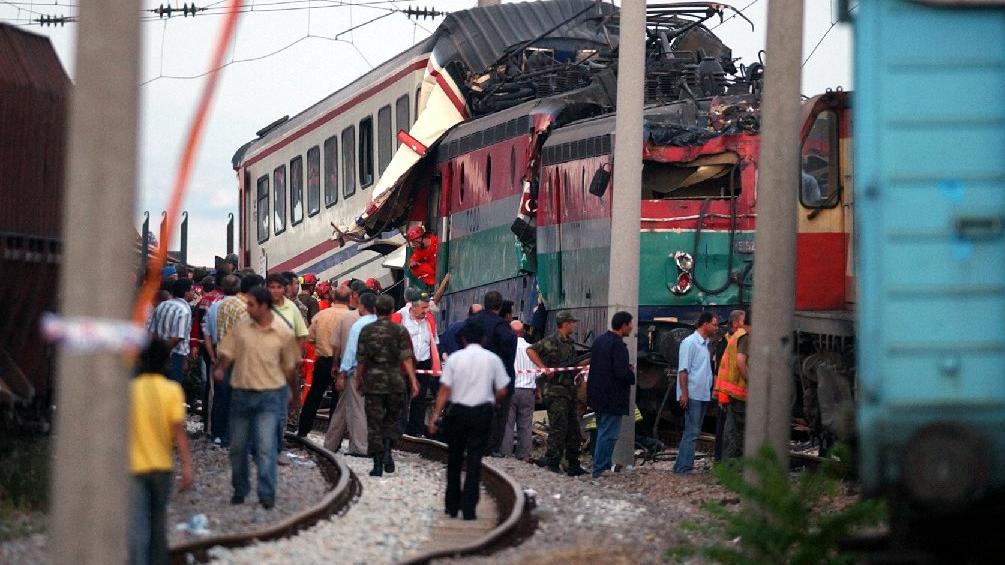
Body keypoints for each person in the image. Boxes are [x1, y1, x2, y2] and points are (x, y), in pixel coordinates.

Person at [214, 286, 301, 508]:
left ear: (263, 306)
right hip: (242, 394)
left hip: (269, 397)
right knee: (237, 447)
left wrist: (294, 396)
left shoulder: (283, 333)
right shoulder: (242, 327)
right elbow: (227, 351)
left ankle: (266, 493)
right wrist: (221, 368)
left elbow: (291, 368)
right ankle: (240, 488)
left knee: (265, 446)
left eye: (251, 304)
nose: (247, 308)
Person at [428, 322, 509, 520]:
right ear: (483, 339)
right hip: (482, 413)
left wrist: (435, 416)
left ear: (463, 339)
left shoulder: (455, 359)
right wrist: (495, 403)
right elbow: (502, 390)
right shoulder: (492, 359)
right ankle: (470, 509)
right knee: (475, 460)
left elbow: (444, 390)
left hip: (458, 413)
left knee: (454, 459)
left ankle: (452, 506)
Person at [129, 339, 193, 565]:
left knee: (137, 525)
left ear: (139, 360)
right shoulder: (172, 390)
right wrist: (186, 466)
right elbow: (179, 432)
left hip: (134, 468)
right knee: (158, 522)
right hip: (162, 468)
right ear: (166, 361)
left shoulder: (130, 390)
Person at [356, 295, 419, 476]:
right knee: (392, 420)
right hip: (394, 382)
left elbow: (361, 359)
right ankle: (387, 451)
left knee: (374, 423)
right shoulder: (400, 331)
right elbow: (406, 357)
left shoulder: (366, 331)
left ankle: (377, 464)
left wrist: (358, 379)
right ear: (392, 311)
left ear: (375, 310)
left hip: (373, 382)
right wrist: (413, 381)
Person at [528, 311, 586, 476]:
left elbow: (572, 365)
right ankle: (552, 461)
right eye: (572, 323)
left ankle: (573, 464)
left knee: (573, 430)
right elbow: (531, 350)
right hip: (555, 391)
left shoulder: (569, 344)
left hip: (569, 390)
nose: (574, 325)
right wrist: (543, 368)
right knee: (558, 428)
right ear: (566, 323)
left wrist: (579, 372)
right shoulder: (550, 341)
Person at [298, 285, 355, 437]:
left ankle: (303, 429)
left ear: (333, 298)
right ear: (350, 299)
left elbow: (309, 337)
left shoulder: (321, 316)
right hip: (343, 364)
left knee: (314, 396)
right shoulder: (352, 317)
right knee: (338, 401)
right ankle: (333, 435)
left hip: (323, 361)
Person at [324, 291, 376, 455]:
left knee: (356, 408)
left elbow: (351, 351)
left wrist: (342, 373)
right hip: (374, 372)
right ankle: (330, 444)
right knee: (344, 407)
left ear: (363, 306)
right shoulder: (380, 323)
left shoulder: (357, 324)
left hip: (355, 372)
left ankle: (359, 447)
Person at [586, 312, 636, 478]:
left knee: (602, 431)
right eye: (630, 324)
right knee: (608, 434)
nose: (632, 327)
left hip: (598, 396)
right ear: (623, 325)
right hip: (612, 398)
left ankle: (602, 465)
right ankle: (600, 469)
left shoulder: (600, 341)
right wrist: (631, 374)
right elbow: (621, 373)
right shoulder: (618, 346)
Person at [469, 291, 516, 457]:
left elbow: (458, 336)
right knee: (497, 414)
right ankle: (491, 448)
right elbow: (509, 346)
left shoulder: (472, 320)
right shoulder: (500, 325)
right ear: (499, 306)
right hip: (495, 378)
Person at [674, 311, 718, 474]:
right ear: (704, 324)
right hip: (693, 394)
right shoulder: (690, 343)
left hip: (701, 394)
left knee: (692, 432)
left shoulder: (705, 344)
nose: (716, 327)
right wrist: (684, 394)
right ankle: (684, 468)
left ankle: (680, 465)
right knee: (692, 432)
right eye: (714, 324)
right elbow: (683, 370)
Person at [393, 287, 440, 437]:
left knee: (420, 399)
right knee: (402, 398)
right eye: (423, 307)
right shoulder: (400, 317)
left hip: (423, 363)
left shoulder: (430, 320)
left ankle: (415, 432)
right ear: (413, 306)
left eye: (427, 307)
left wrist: (434, 364)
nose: (426, 311)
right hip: (403, 364)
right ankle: (399, 430)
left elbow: (434, 341)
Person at [203, 274, 242, 445]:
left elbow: (208, 334)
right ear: (238, 288)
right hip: (239, 357)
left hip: (220, 354)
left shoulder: (214, 307)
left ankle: (217, 434)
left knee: (220, 396)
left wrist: (212, 355)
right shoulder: (243, 307)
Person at [500, 320, 538, 461]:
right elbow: (538, 372)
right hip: (528, 391)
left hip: (511, 390)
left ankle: (506, 453)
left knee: (508, 424)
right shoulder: (532, 349)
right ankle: (524, 455)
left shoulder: (507, 348)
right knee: (526, 425)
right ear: (523, 332)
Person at [714, 310, 749, 461]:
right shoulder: (741, 337)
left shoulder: (732, 338)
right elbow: (739, 363)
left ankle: (724, 462)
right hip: (734, 391)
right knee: (733, 430)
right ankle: (727, 463)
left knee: (729, 428)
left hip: (728, 390)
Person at [146, 278, 194, 386]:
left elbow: (151, 331)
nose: (193, 293)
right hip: (175, 355)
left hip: (157, 354)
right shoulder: (184, 310)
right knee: (173, 388)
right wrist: (165, 353)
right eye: (192, 290)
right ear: (186, 292)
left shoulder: (161, 305)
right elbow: (177, 337)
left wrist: (157, 352)